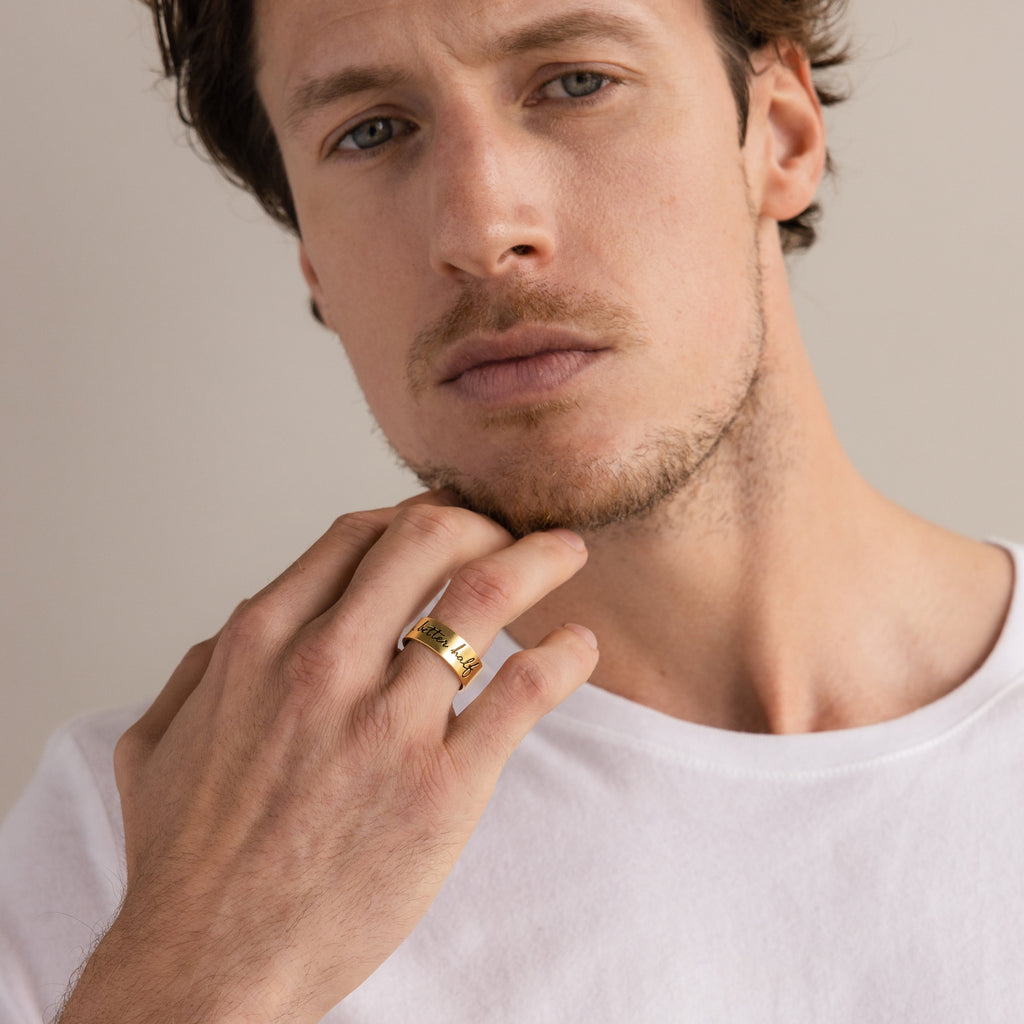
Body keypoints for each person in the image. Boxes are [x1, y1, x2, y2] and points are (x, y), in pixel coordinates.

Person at [2, 0, 1022, 1020]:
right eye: (369, 131)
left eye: (577, 82)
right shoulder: (155, 831)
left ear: (781, 136)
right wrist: (193, 972)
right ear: (313, 260)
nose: (482, 232)